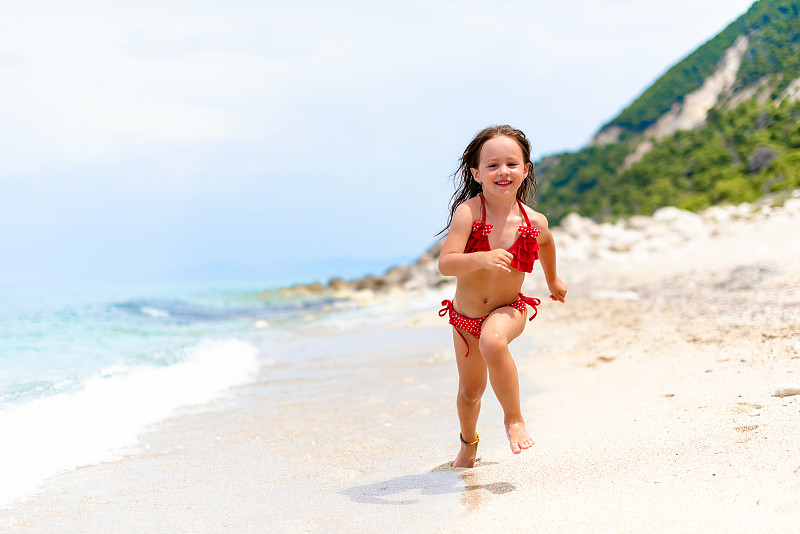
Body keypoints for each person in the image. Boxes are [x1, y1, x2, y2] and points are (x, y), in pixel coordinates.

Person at [437, 125, 567, 468]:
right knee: (469, 394)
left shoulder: (533, 221)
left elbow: (548, 242)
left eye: (512, 163)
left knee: (494, 341)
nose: (502, 171)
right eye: (492, 165)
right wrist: (480, 257)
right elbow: (446, 264)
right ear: (476, 173)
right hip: (465, 319)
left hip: (510, 309)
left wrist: (553, 280)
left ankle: (514, 419)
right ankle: (469, 443)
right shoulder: (469, 213)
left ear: (526, 170)